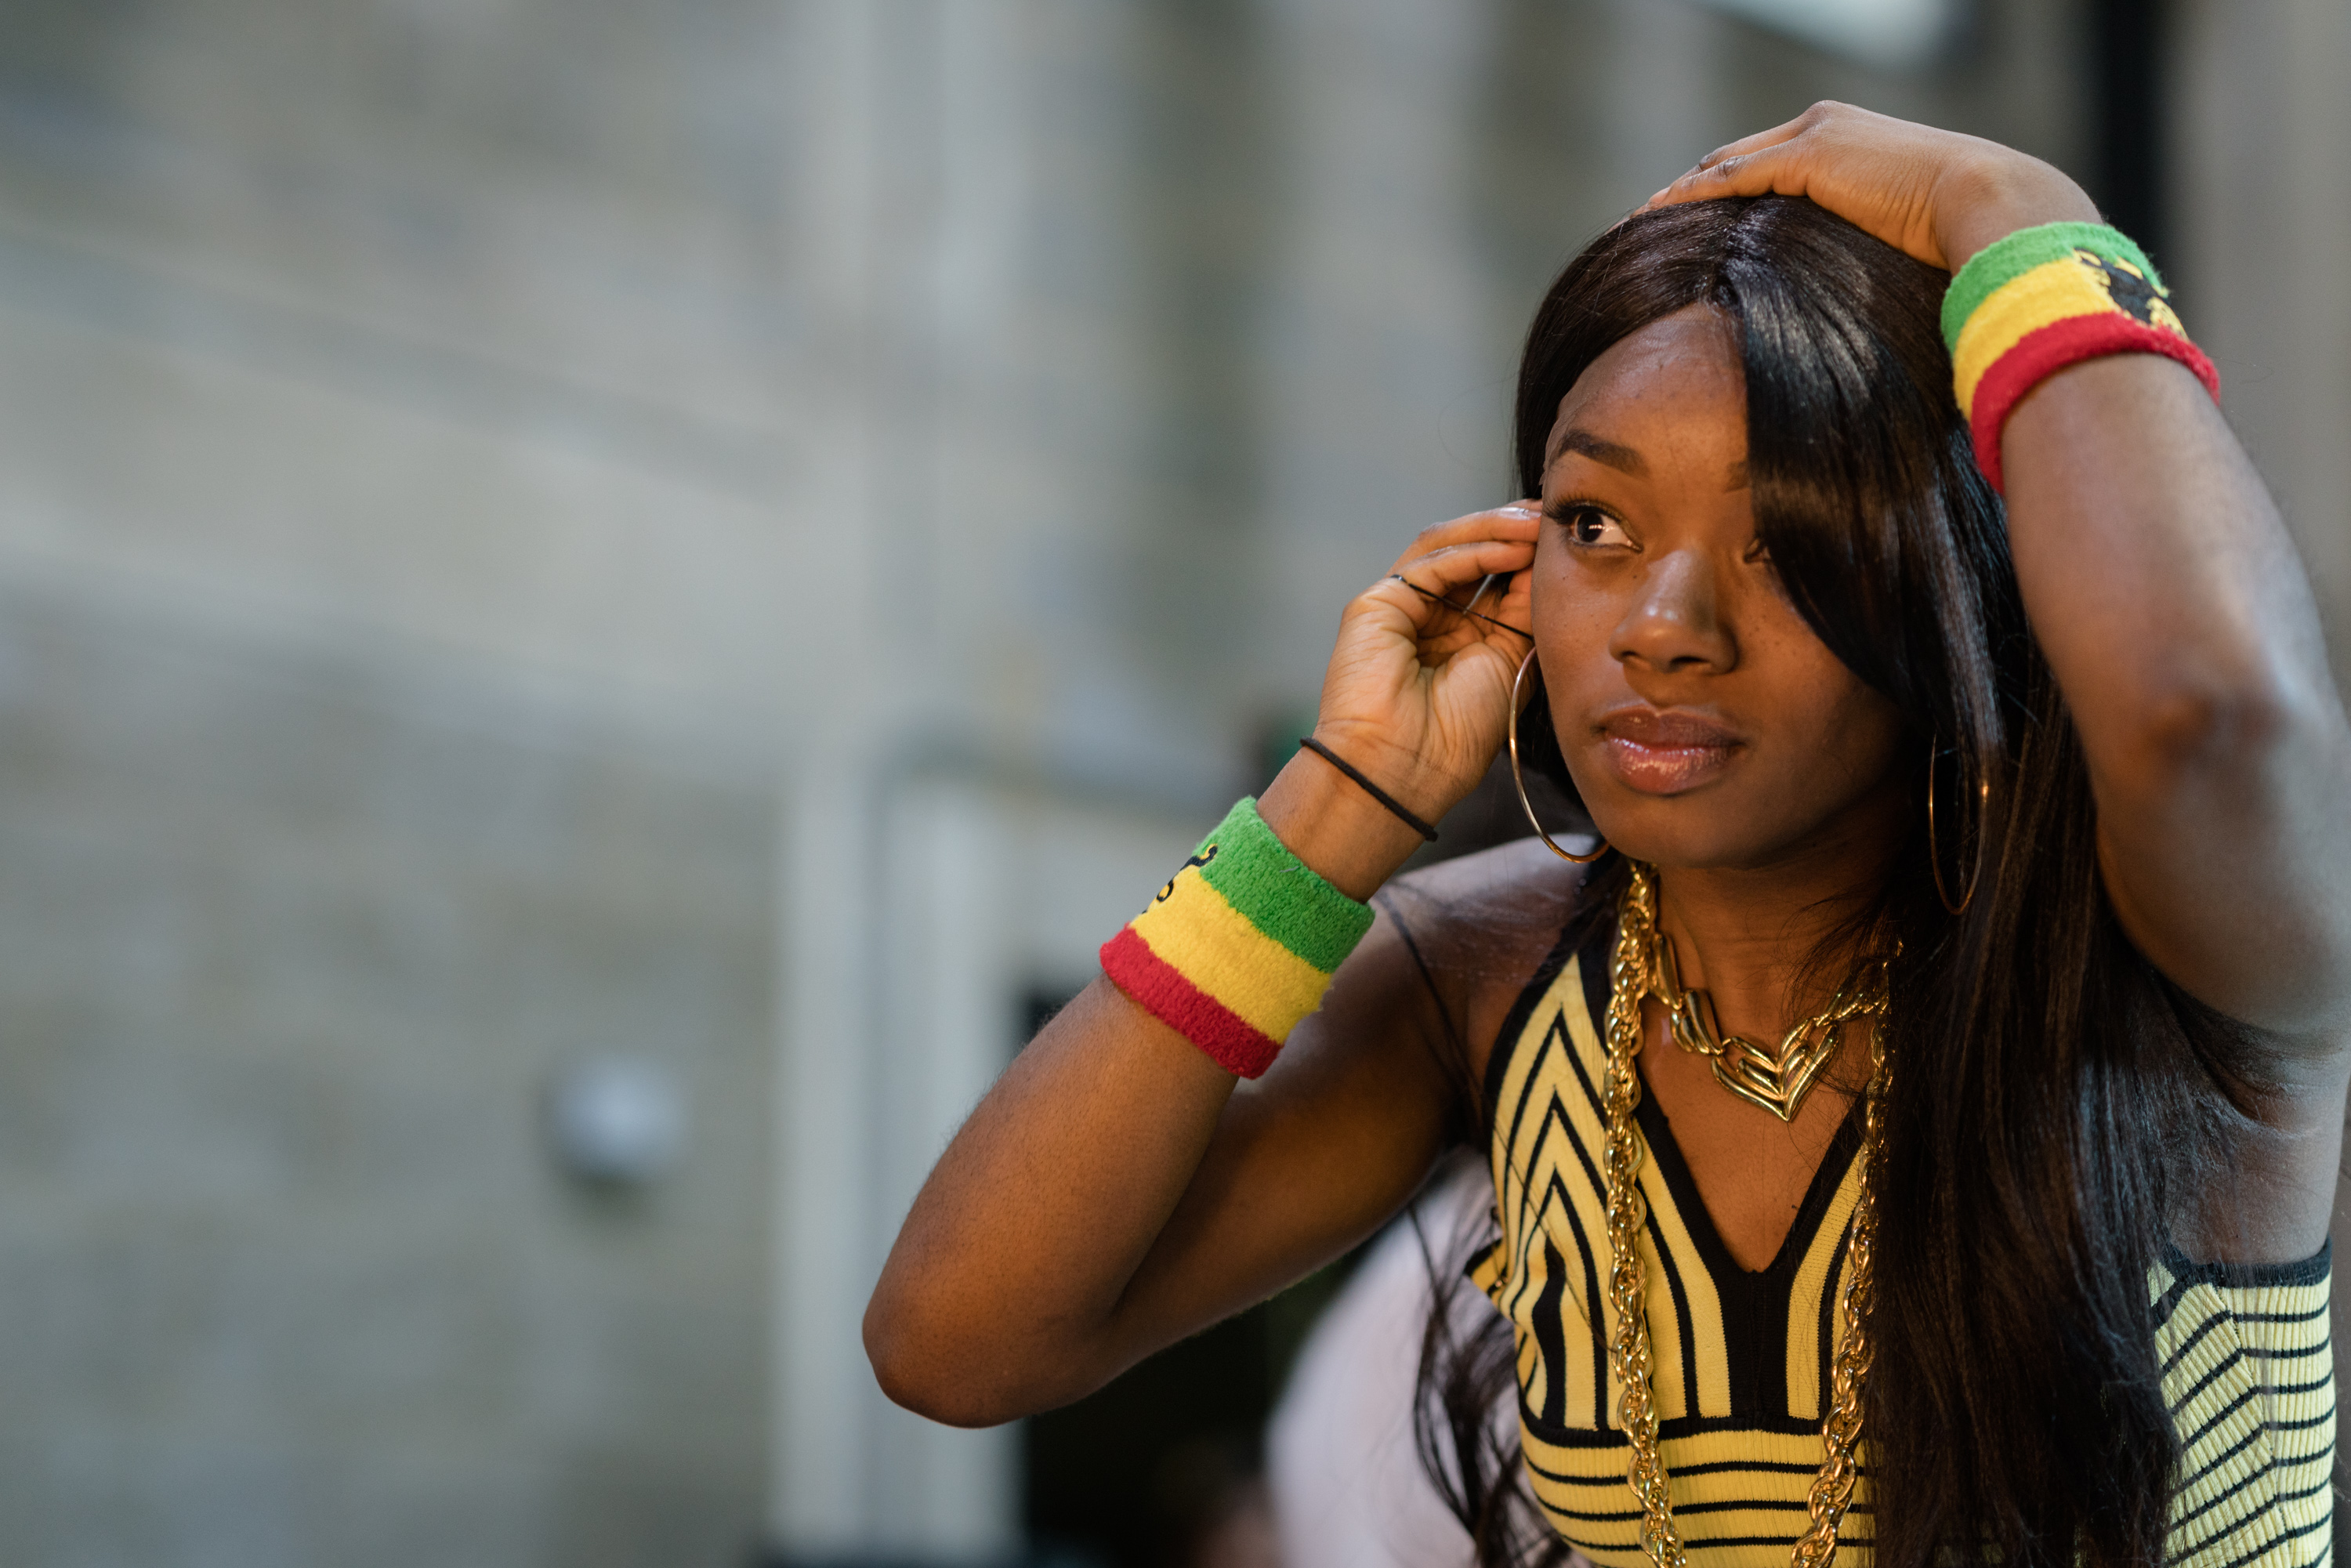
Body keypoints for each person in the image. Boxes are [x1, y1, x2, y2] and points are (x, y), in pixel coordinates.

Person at [864, 104, 2350, 1568]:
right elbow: (955, 1340)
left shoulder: (2166, 968)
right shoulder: (1492, 980)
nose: (1663, 627)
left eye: (1791, 541)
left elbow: (2206, 713)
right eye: (1595, 524)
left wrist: (2007, 205)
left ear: (1945, 584)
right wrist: (1339, 806)